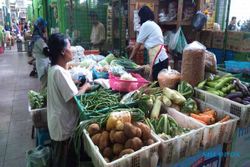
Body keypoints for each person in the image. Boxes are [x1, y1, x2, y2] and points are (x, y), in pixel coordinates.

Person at [47, 33, 91, 167]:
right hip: (63, 127)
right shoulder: (58, 72)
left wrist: (76, 82)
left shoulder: (55, 69)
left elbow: (66, 86)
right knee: (65, 162)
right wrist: (86, 86)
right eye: (69, 47)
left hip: (60, 123)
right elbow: (75, 98)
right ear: (62, 51)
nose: (71, 50)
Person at [129, 6, 168, 81]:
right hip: (162, 58)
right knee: (158, 85)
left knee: (156, 85)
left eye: (140, 17)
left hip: (159, 59)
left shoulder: (146, 25)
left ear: (142, 16)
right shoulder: (153, 24)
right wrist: (132, 47)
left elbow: (138, 45)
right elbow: (148, 45)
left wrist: (130, 58)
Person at [31, 17, 50, 90]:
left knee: (45, 85)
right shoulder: (38, 39)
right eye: (44, 27)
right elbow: (46, 52)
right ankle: (43, 99)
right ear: (41, 27)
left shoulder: (38, 37)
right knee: (44, 86)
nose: (45, 28)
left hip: (41, 63)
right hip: (43, 64)